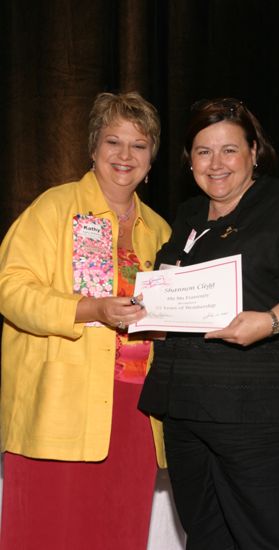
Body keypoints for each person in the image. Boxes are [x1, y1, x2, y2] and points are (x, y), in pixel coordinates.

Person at [138, 97, 279, 550]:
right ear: (188, 160)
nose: (216, 163)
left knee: (267, 540)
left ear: (254, 152)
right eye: (202, 151)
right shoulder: (188, 217)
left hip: (267, 416)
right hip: (190, 412)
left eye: (229, 149)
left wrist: (270, 322)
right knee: (207, 540)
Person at [0, 91, 171, 550]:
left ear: (151, 158)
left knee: (118, 534)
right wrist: (89, 309)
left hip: (137, 411)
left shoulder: (162, 231)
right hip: (58, 407)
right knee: (49, 534)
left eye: (139, 145)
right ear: (93, 148)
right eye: (113, 141)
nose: (125, 155)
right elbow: (10, 290)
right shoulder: (52, 209)